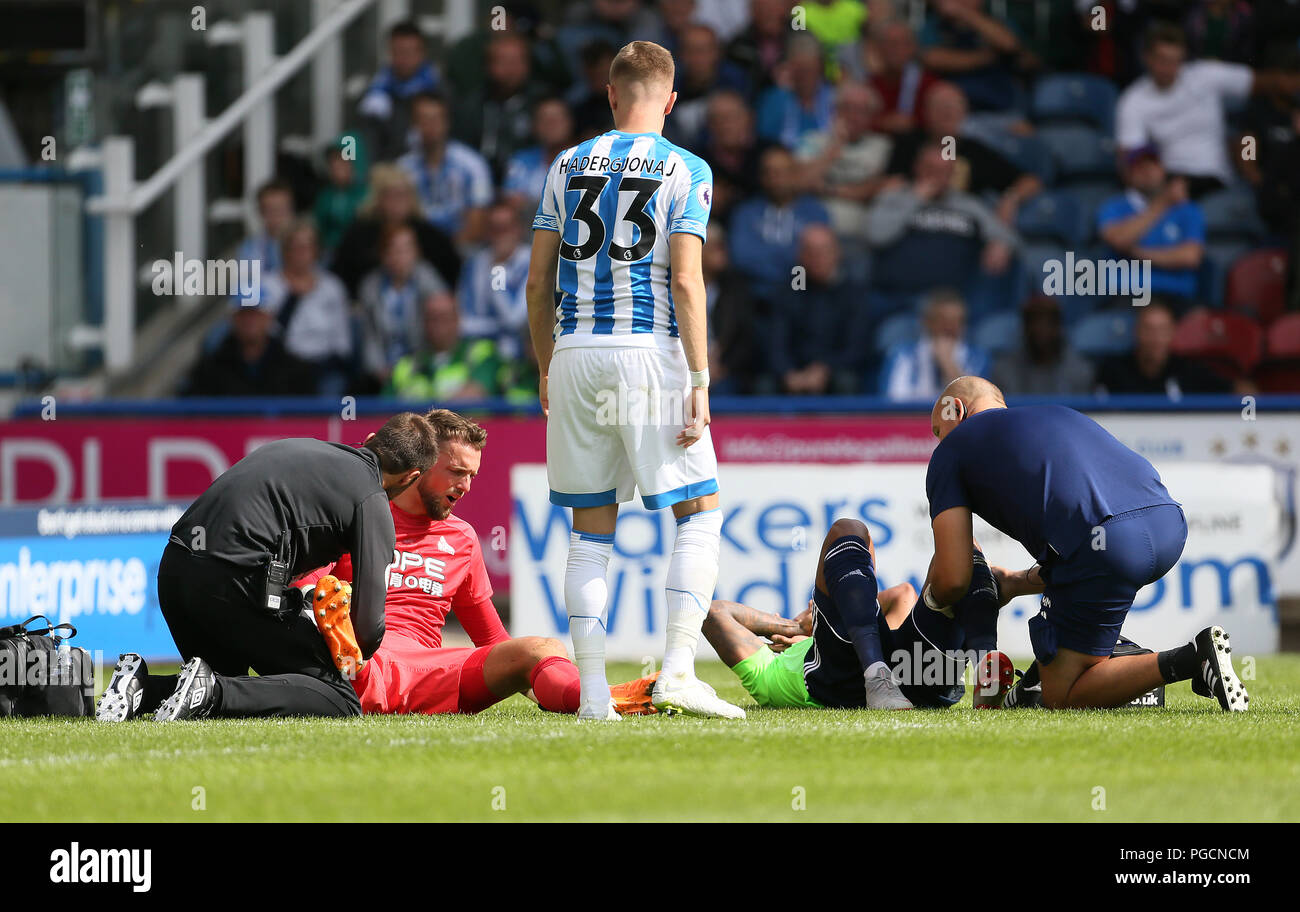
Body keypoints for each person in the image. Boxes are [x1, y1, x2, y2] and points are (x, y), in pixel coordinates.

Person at [526, 40, 742, 721]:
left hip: (575, 353)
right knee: (699, 514)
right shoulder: (686, 167)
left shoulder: (566, 163)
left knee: (590, 531)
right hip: (648, 351)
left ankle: (593, 695)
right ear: (671, 100)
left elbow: (536, 284)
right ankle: (677, 671)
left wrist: (546, 366)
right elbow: (686, 281)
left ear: (611, 94)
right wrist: (700, 377)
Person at [299, 409, 658, 716]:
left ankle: (599, 699)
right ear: (422, 462)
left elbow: (492, 640)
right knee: (332, 609)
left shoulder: (463, 539)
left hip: (430, 674)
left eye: (472, 475)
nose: (466, 486)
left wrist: (539, 677)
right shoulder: (355, 515)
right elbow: (307, 589)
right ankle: (352, 668)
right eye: (457, 471)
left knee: (544, 649)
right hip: (363, 654)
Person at [922, 376, 1248, 711]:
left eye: (937, 430)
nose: (939, 441)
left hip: (1106, 546)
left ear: (956, 409)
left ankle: (1194, 657)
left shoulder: (952, 449)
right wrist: (1017, 583)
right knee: (1077, 621)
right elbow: (1079, 553)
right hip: (1168, 524)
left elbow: (954, 578)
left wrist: (933, 607)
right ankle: (1104, 654)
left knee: (1060, 694)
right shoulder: (1058, 413)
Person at [95, 412, 441, 722]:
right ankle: (209, 690)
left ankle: (142, 688)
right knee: (338, 698)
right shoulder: (372, 500)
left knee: (229, 684)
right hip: (232, 583)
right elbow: (368, 629)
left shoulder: (300, 446)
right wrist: (337, 643)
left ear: (369, 440)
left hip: (174, 574)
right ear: (411, 476)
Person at [705, 519, 1010, 710]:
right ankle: (986, 653)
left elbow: (902, 593)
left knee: (959, 550)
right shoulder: (769, 672)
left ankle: (986, 669)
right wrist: (793, 626)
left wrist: (807, 624)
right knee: (847, 530)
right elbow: (714, 613)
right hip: (848, 682)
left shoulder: (780, 671)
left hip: (915, 675)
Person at [1115, 21, 1300, 197]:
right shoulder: (1133, 100)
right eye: (1162, 60)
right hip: (1170, 180)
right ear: (1146, 58)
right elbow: (1130, 160)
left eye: (1175, 61)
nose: (1168, 68)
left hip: (1215, 178)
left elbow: (1267, 82)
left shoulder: (1205, 75)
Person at [865, 141, 1017, 295]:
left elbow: (1008, 236)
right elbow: (876, 236)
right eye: (931, 169)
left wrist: (1000, 243)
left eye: (944, 171)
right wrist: (914, 199)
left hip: (952, 297)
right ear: (917, 167)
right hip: (898, 294)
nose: (937, 177)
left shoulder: (968, 204)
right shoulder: (894, 197)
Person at [766, 224, 873, 394]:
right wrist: (788, 373)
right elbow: (776, 343)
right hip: (794, 372)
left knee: (847, 381)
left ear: (837, 253)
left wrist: (825, 368)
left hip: (834, 370)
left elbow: (857, 348)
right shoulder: (790, 291)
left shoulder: (854, 294)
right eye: (810, 251)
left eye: (824, 250)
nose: (817, 257)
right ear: (800, 256)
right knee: (764, 385)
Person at [330, 163, 461, 299]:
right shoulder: (359, 235)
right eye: (391, 195)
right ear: (378, 199)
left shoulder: (429, 235)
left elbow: (452, 272)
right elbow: (341, 274)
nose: (397, 202)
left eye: (403, 195)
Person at [1097, 147, 1204, 307]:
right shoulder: (1114, 207)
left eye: (1153, 165)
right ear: (1127, 174)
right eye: (1139, 167)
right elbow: (1118, 240)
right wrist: (1162, 204)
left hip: (1177, 296)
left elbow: (1190, 257)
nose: (1147, 171)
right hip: (1128, 295)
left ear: (1163, 170)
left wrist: (1138, 253)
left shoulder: (1187, 210)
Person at [258, 220, 353, 395]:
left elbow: (342, 342)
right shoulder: (267, 286)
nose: (302, 253)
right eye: (296, 247)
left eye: (307, 247)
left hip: (324, 368)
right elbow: (265, 336)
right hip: (281, 368)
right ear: (285, 251)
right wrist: (292, 299)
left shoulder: (332, 287)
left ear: (316, 251)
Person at [729, 144, 832, 294]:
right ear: (761, 177)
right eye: (769, 172)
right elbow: (741, 257)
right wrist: (791, 259)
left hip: (800, 289)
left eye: (782, 171)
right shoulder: (745, 212)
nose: (776, 178)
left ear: (796, 174)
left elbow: (819, 260)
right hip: (753, 292)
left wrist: (767, 255)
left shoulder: (815, 212)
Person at [357, 223, 450, 385]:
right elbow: (369, 335)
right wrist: (379, 369)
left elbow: (440, 325)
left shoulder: (429, 281)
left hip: (423, 366)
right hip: (383, 372)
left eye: (406, 249)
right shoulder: (370, 287)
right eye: (394, 250)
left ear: (416, 252)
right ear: (383, 255)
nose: (400, 257)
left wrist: (424, 364)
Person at [397, 93, 493, 247]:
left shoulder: (473, 165)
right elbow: (397, 220)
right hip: (413, 251)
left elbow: (478, 221)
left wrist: (446, 254)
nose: (430, 126)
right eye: (423, 119)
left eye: (435, 119)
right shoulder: (402, 169)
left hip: (462, 251)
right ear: (413, 125)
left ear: (447, 122)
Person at [1094, 298, 1231, 396]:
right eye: (1148, 329)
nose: (1156, 338)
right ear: (1137, 331)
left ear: (1172, 332)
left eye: (1162, 330)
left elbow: (1232, 391)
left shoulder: (1189, 371)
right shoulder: (1113, 372)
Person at [183, 299, 316, 397]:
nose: (249, 321)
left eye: (255, 314)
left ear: (268, 318)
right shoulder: (209, 369)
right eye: (243, 314)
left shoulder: (296, 370)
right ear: (233, 319)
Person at [880, 288, 990, 401]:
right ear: (927, 322)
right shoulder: (902, 355)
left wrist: (949, 364)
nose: (949, 327)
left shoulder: (977, 357)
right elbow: (893, 401)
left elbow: (975, 404)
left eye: (957, 321)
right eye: (943, 320)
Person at [387, 292, 500, 401]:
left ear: (457, 319)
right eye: (432, 318)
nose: (438, 325)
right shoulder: (407, 365)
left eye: (445, 317)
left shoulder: (480, 352)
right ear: (423, 322)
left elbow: (475, 393)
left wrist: (422, 413)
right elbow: (383, 407)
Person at [458, 200, 531, 360]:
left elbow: (514, 320)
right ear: (488, 233)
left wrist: (497, 270)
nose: (501, 236)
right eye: (495, 230)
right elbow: (463, 321)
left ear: (518, 229)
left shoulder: (531, 262)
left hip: (519, 353)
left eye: (506, 229)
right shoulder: (474, 264)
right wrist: (497, 327)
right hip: (478, 349)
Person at [359, 20, 441, 161]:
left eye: (409, 52)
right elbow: (367, 142)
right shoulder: (375, 94)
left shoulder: (439, 91)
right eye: (398, 52)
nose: (403, 59)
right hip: (388, 168)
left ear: (422, 53)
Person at [990, 295, 1094, 396]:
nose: (1041, 329)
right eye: (1034, 321)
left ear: (1059, 327)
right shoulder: (1003, 371)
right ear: (1024, 327)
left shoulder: (1080, 371)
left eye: (1049, 322)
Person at [236, 178, 294, 276]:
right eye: (271, 211)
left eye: (281, 210)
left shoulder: (306, 247)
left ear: (291, 210)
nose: (277, 217)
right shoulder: (249, 249)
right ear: (261, 212)